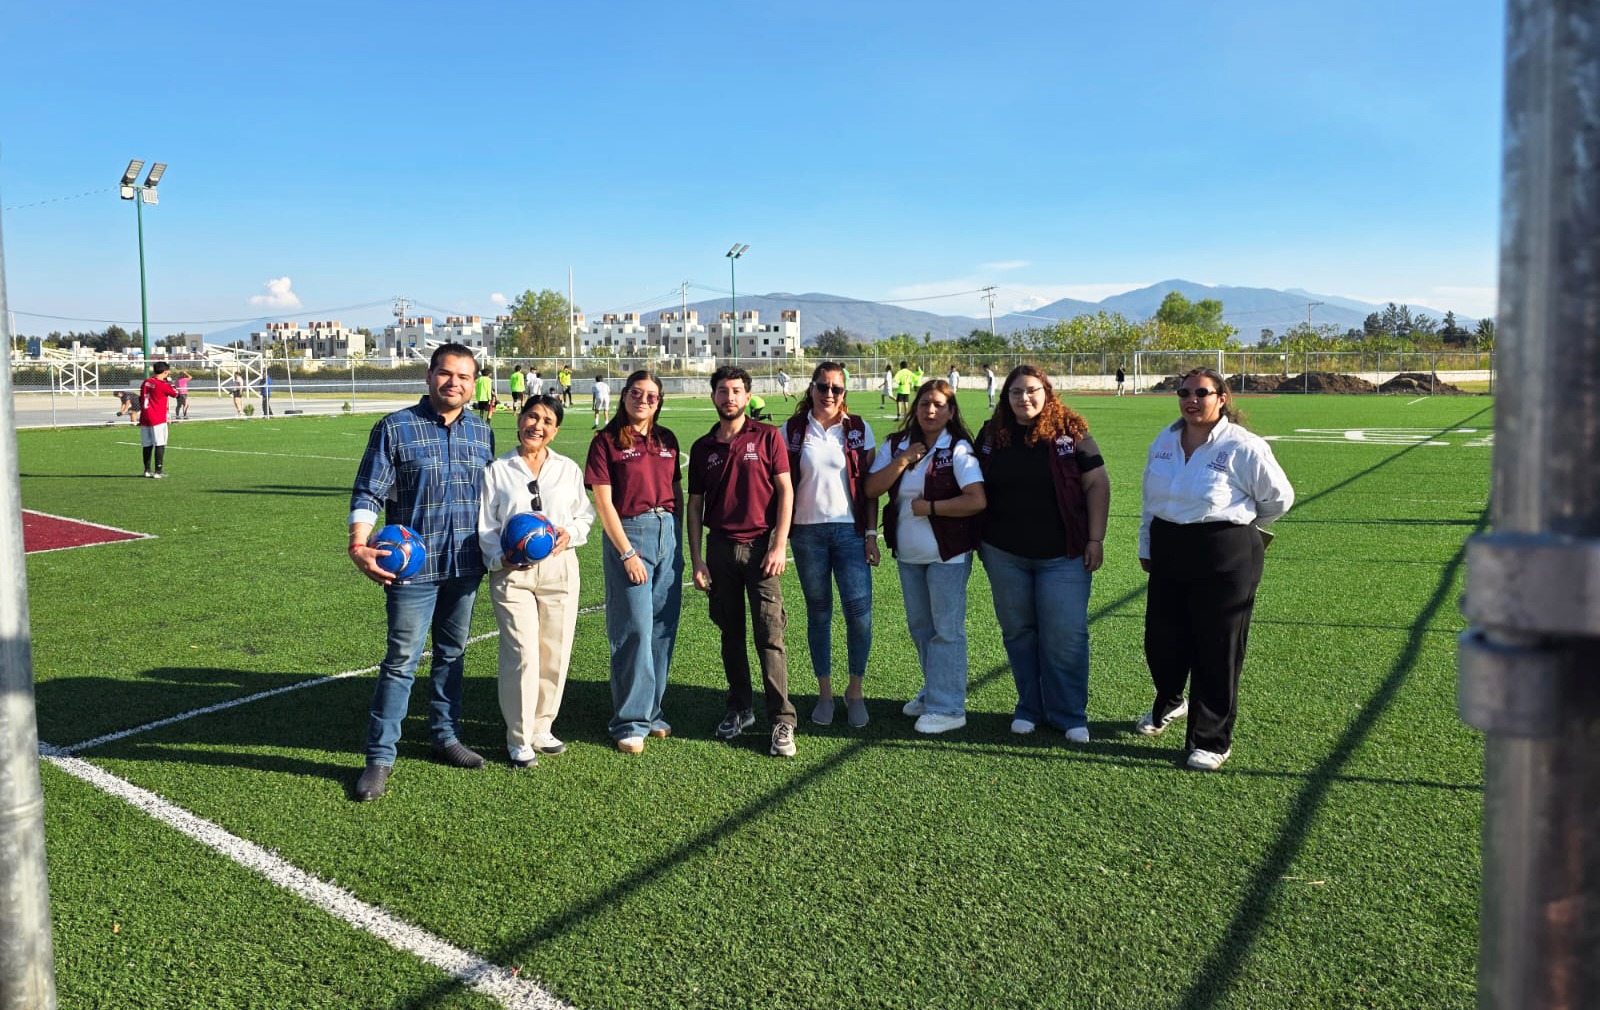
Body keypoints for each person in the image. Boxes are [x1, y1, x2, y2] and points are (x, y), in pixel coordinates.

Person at [346, 343, 497, 801]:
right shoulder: (395, 428)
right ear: (430, 376)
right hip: (412, 570)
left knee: (452, 654)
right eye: (447, 374)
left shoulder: (481, 431)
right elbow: (368, 491)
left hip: (465, 565)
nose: (455, 383)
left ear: (475, 384)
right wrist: (358, 542)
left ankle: (445, 737)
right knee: (401, 661)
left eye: (465, 377)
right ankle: (379, 758)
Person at [1136, 367, 1294, 771]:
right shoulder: (1164, 441)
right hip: (1169, 548)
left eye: (1201, 393)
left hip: (1225, 553)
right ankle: (1171, 702)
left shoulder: (1243, 446)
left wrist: (1235, 525)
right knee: (1162, 641)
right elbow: (1150, 501)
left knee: (1217, 647)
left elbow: (1278, 499)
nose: (1191, 400)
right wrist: (1147, 545)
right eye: (1184, 393)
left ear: (1221, 398)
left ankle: (1211, 739)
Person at [975, 365, 1109, 743]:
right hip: (1004, 553)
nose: (1024, 399)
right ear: (1006, 397)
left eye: (1032, 390)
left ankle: (1068, 713)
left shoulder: (1071, 430)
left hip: (1063, 555)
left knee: (1065, 634)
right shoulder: (992, 433)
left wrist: (1095, 539)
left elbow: (1097, 482)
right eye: (1016, 392)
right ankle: (1029, 707)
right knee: (1019, 632)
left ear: (1047, 392)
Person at [478, 394, 594, 767]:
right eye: (532, 416)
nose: (537, 426)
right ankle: (519, 736)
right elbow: (485, 528)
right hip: (512, 574)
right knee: (522, 654)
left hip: (560, 569)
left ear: (555, 430)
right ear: (519, 419)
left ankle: (543, 725)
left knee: (555, 651)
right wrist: (501, 557)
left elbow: (585, 517)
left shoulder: (567, 469)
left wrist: (569, 534)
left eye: (546, 421)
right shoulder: (497, 470)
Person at [864, 379, 986, 733]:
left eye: (938, 405)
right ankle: (935, 689)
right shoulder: (897, 445)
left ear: (950, 411)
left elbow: (976, 499)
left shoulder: (959, 448)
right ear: (914, 408)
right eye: (924, 404)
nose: (930, 411)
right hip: (909, 553)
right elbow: (871, 488)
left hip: (948, 554)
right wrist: (903, 460)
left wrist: (930, 507)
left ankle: (949, 708)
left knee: (946, 629)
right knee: (921, 628)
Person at [687, 367, 798, 756]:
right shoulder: (703, 448)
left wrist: (779, 544)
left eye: (736, 391)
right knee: (729, 634)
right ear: (713, 397)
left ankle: (782, 720)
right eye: (722, 390)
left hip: (761, 549)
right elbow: (695, 505)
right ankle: (740, 708)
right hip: (720, 549)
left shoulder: (767, 437)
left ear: (748, 397)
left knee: (770, 635)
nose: (729, 397)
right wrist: (698, 559)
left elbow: (785, 491)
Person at [585, 371, 683, 754]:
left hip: (667, 532)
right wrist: (627, 552)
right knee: (635, 628)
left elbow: (676, 490)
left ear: (659, 402)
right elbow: (604, 503)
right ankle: (628, 720)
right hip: (630, 533)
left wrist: (676, 539)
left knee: (661, 628)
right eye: (636, 393)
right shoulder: (605, 442)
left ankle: (652, 711)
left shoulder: (666, 440)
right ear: (623, 396)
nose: (644, 400)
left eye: (652, 396)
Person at [782, 361, 878, 728]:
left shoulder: (858, 429)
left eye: (836, 389)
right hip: (807, 534)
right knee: (819, 614)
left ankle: (855, 690)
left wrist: (871, 533)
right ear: (810, 388)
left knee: (860, 615)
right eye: (822, 386)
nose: (828, 394)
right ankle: (825, 693)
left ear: (845, 393)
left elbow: (869, 489)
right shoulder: (790, 430)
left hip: (850, 534)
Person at [138, 362, 179, 478]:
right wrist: (171, 384)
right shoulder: (163, 384)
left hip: (145, 417)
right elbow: (176, 394)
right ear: (165, 372)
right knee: (160, 443)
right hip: (157, 417)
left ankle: (146, 471)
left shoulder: (146, 382)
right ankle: (158, 471)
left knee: (147, 444)